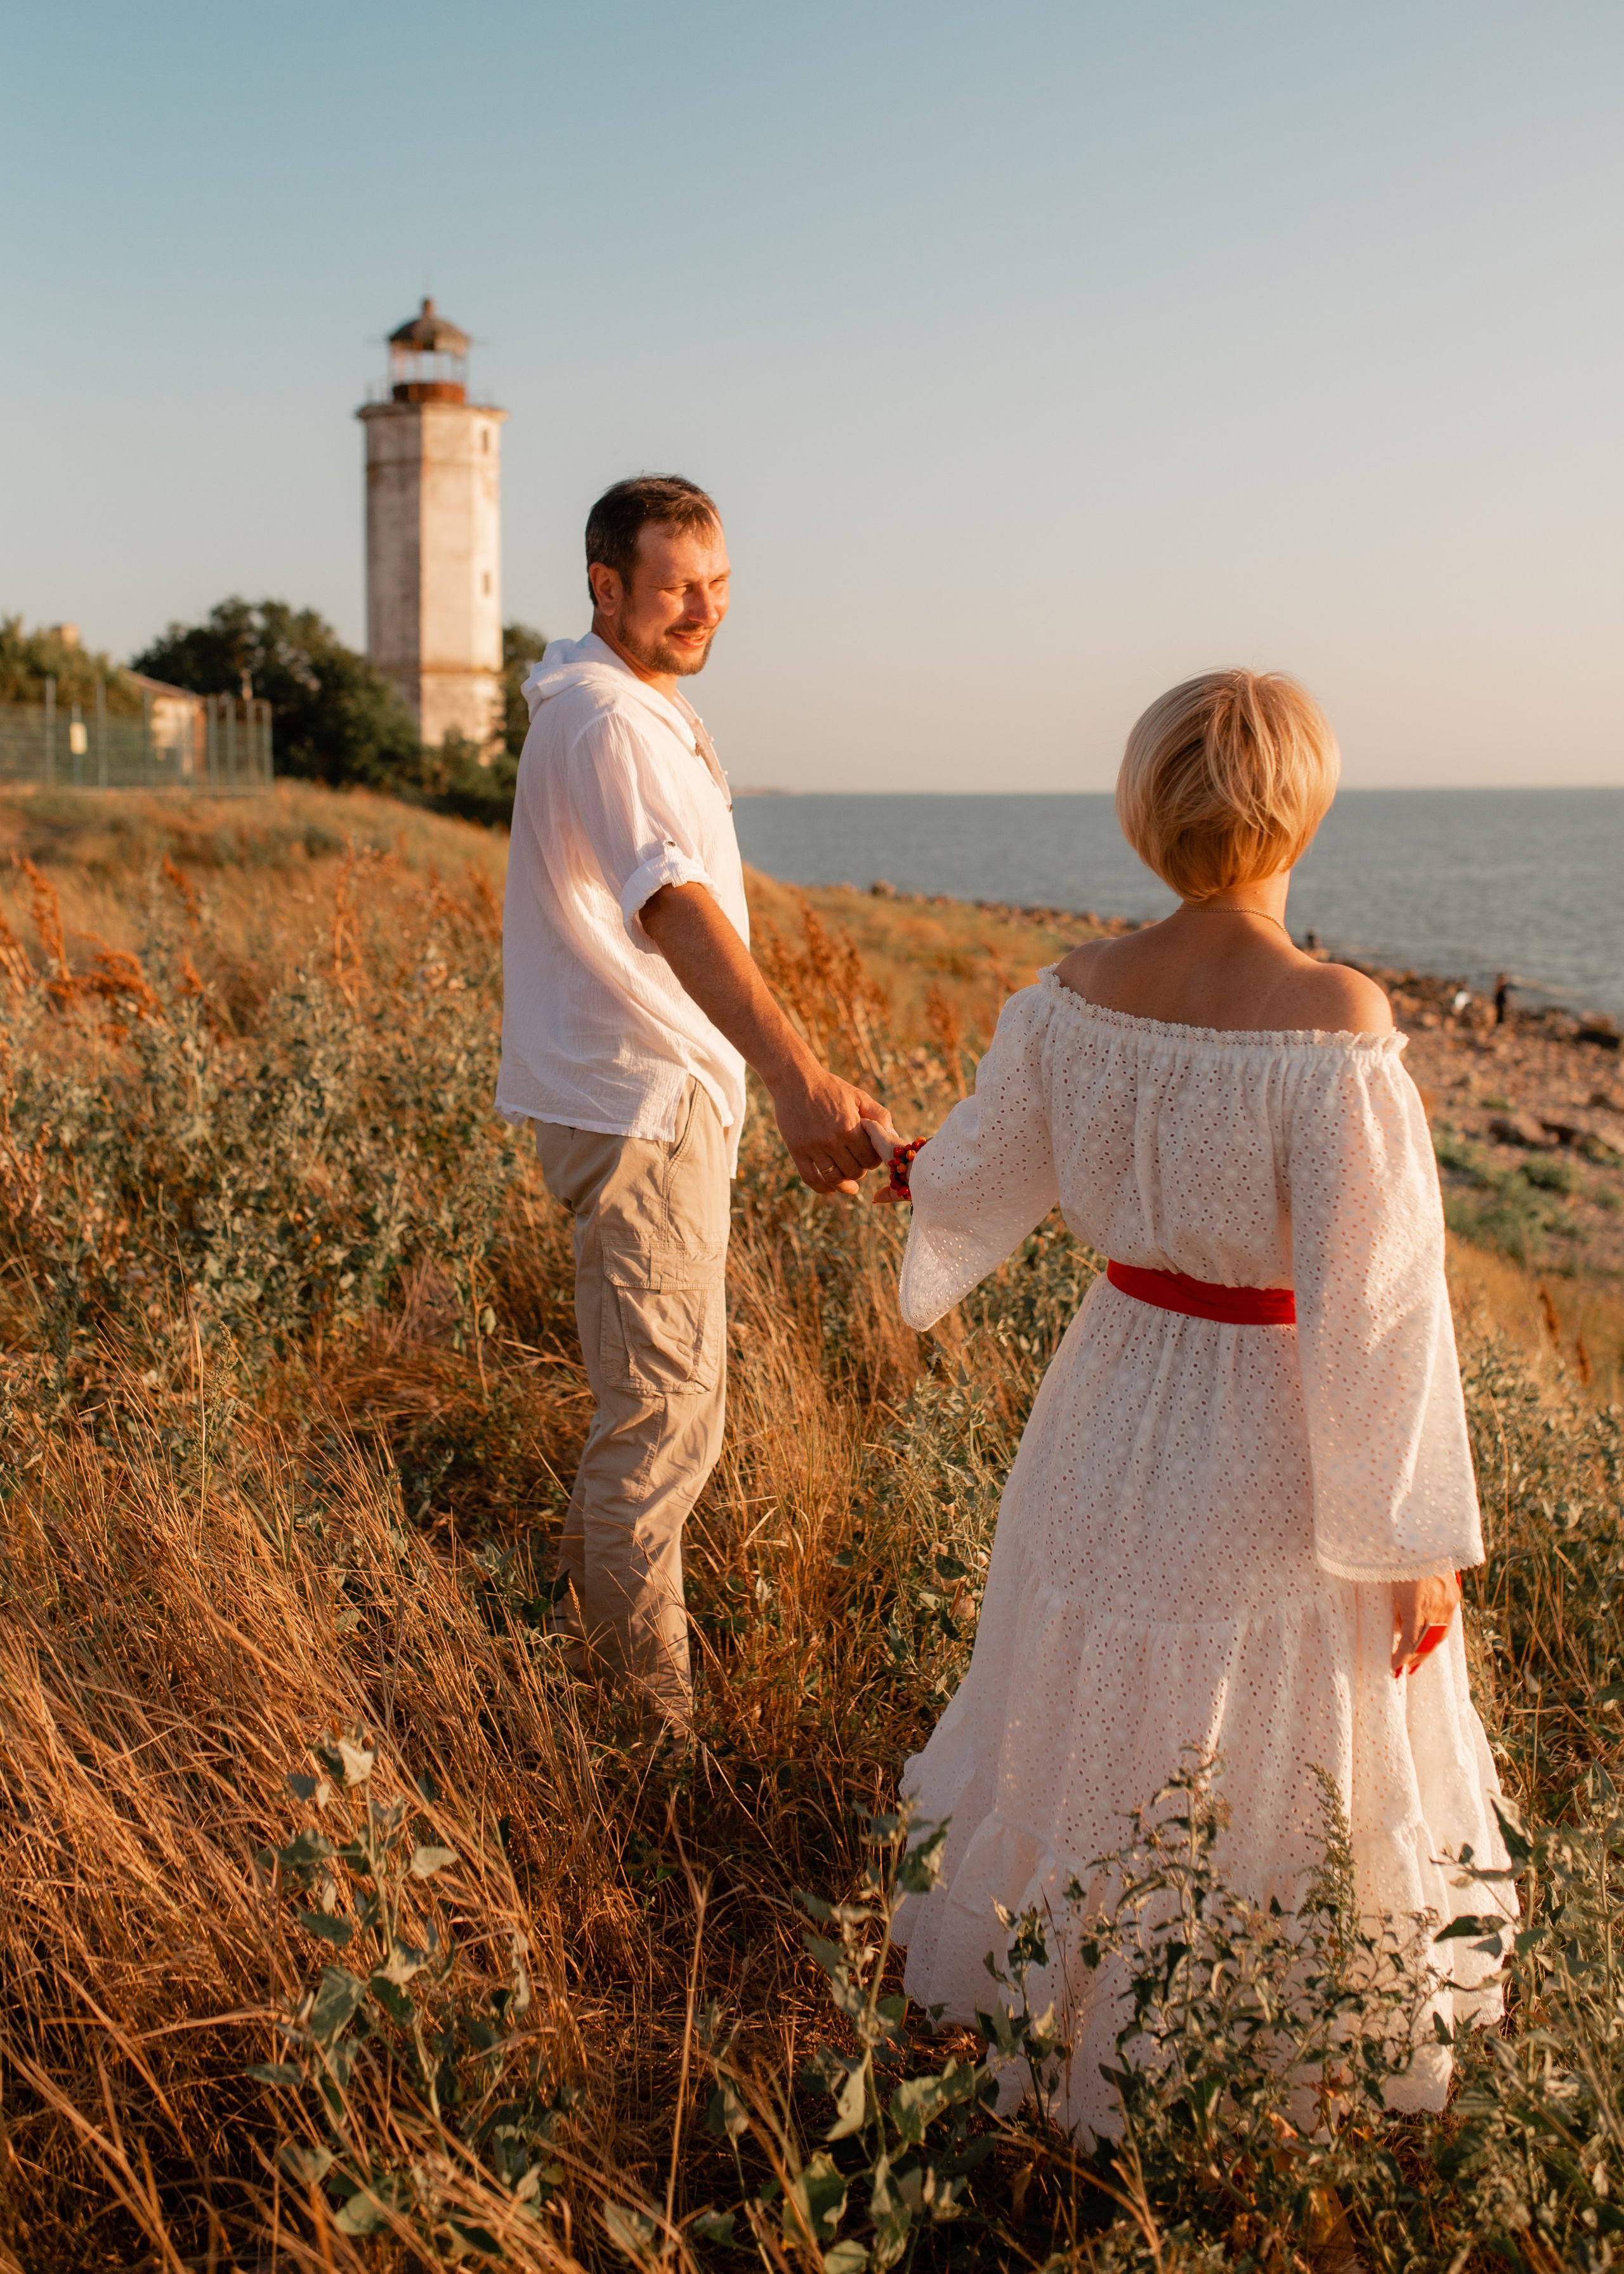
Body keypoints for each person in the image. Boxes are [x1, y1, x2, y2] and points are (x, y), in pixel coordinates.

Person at [863, 670, 1509, 2136]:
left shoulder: (1070, 994)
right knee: (1265, 1717)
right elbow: (1382, 1311)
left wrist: (897, 1160)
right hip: (1272, 1435)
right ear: (1301, 808)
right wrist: (1410, 1532)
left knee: (1095, 1689)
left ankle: (1071, 2022)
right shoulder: (1334, 1018)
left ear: (1147, 808)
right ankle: (1248, 2065)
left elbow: (974, 1173)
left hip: (1108, 1393)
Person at [497, 475, 884, 1732]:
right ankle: (638, 1736)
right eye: (675, 586)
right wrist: (801, 1080)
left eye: (718, 585)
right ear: (606, 586)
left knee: (666, 1412)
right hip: (640, 1104)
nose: (703, 607)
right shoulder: (608, 721)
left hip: (650, 1101)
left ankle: (620, 1693)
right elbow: (674, 910)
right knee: (660, 1421)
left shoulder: (631, 710)